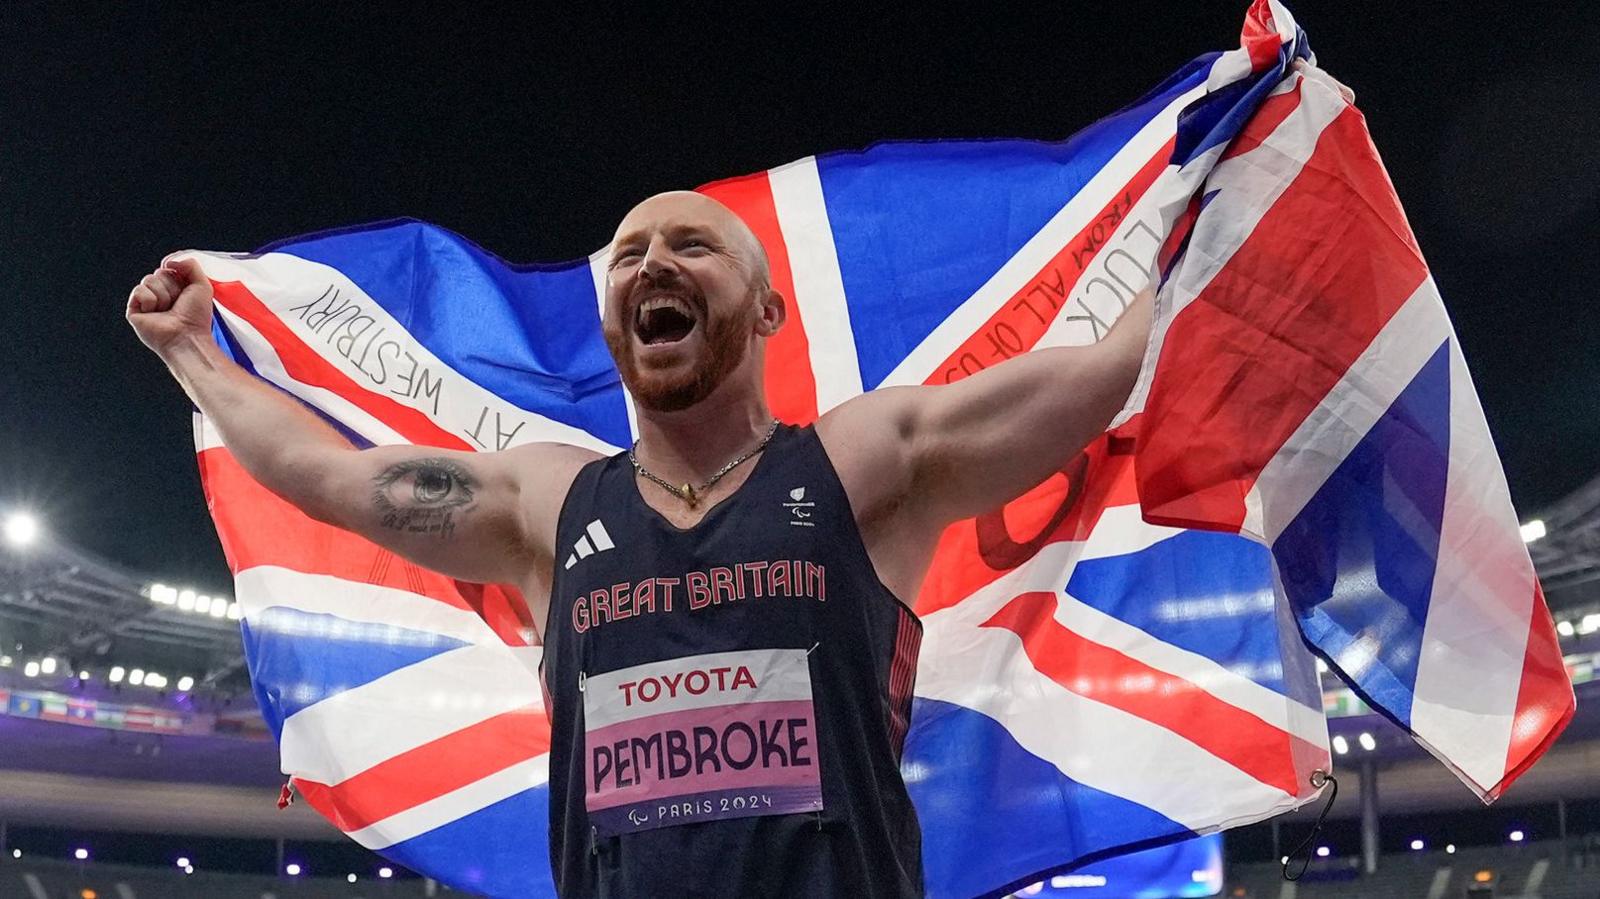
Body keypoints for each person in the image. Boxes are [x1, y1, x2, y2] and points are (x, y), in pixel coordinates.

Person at [126, 190, 1152, 898]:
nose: (654, 260)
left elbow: (1111, 370)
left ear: (765, 311)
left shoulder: (865, 462)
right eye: (630, 255)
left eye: (692, 246)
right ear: (615, 323)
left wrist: (1224, 211)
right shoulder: (548, 501)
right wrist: (190, 353)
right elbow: (333, 481)